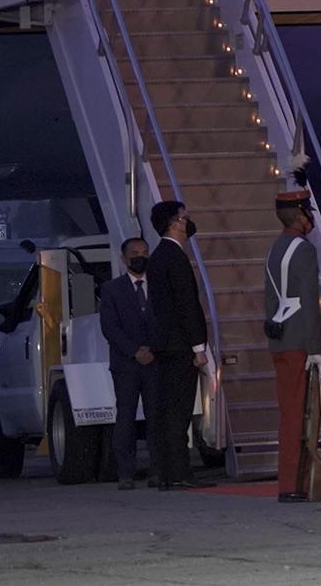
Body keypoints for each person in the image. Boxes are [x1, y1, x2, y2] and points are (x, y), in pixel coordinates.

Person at [264, 181, 321, 502]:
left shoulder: (277, 246)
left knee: (290, 411)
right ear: (299, 215)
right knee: (297, 414)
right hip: (299, 340)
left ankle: (292, 480)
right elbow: (308, 300)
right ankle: (293, 483)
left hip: (281, 338)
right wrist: (316, 348)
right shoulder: (303, 249)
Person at [144, 199, 212, 491]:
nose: (187, 222)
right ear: (173, 223)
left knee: (167, 409)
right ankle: (179, 471)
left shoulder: (159, 256)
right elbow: (186, 304)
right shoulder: (174, 257)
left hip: (165, 344)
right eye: (183, 217)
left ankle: (165, 471)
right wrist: (199, 347)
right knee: (179, 411)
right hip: (180, 345)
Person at [98, 237, 157, 489]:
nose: (140, 257)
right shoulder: (112, 289)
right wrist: (135, 351)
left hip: (156, 361)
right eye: (134, 253)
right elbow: (110, 328)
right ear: (124, 258)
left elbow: (166, 321)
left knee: (157, 417)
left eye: (144, 252)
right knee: (125, 417)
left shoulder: (159, 286)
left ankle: (158, 469)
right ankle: (126, 473)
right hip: (125, 364)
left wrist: (153, 349)